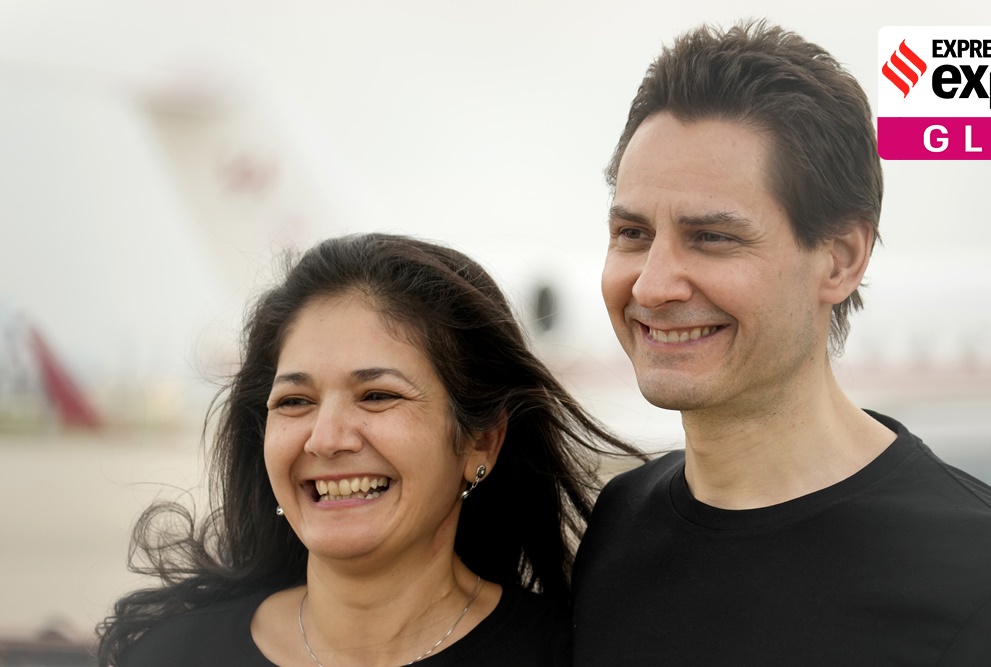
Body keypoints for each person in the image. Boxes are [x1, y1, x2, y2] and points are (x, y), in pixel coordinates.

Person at [571, 20, 991, 666]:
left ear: (841, 260)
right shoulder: (617, 530)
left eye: (711, 237)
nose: (652, 285)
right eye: (632, 233)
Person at [97, 233, 640, 666]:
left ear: (482, 440)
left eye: (377, 395)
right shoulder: (173, 655)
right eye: (294, 401)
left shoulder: (572, 655)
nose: (327, 438)